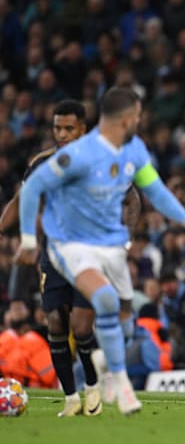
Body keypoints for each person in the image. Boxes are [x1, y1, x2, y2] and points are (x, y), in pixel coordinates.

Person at [15, 87, 185, 415]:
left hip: (108, 247)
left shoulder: (133, 150)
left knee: (123, 323)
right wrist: (29, 240)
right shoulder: (77, 155)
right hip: (68, 247)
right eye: (137, 115)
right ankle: (88, 390)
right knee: (68, 320)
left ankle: (105, 370)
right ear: (123, 118)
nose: (140, 120)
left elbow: (154, 189)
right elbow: (32, 188)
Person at [0, 99, 107, 416]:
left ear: (83, 129)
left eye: (68, 128)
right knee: (56, 324)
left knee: (82, 327)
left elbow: (130, 200)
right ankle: (71, 399)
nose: (62, 134)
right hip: (53, 256)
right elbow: (21, 201)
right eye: (57, 127)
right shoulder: (40, 164)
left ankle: (92, 387)